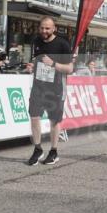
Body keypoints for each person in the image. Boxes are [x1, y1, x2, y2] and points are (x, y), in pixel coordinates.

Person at [25, 16, 74, 166]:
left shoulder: (62, 45)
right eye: (42, 28)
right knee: (34, 117)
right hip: (38, 86)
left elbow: (70, 69)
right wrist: (31, 67)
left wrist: (53, 64)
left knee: (54, 120)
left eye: (47, 28)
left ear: (54, 29)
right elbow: (35, 61)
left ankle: (53, 151)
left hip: (56, 88)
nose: (44, 31)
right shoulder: (36, 41)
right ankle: (37, 148)